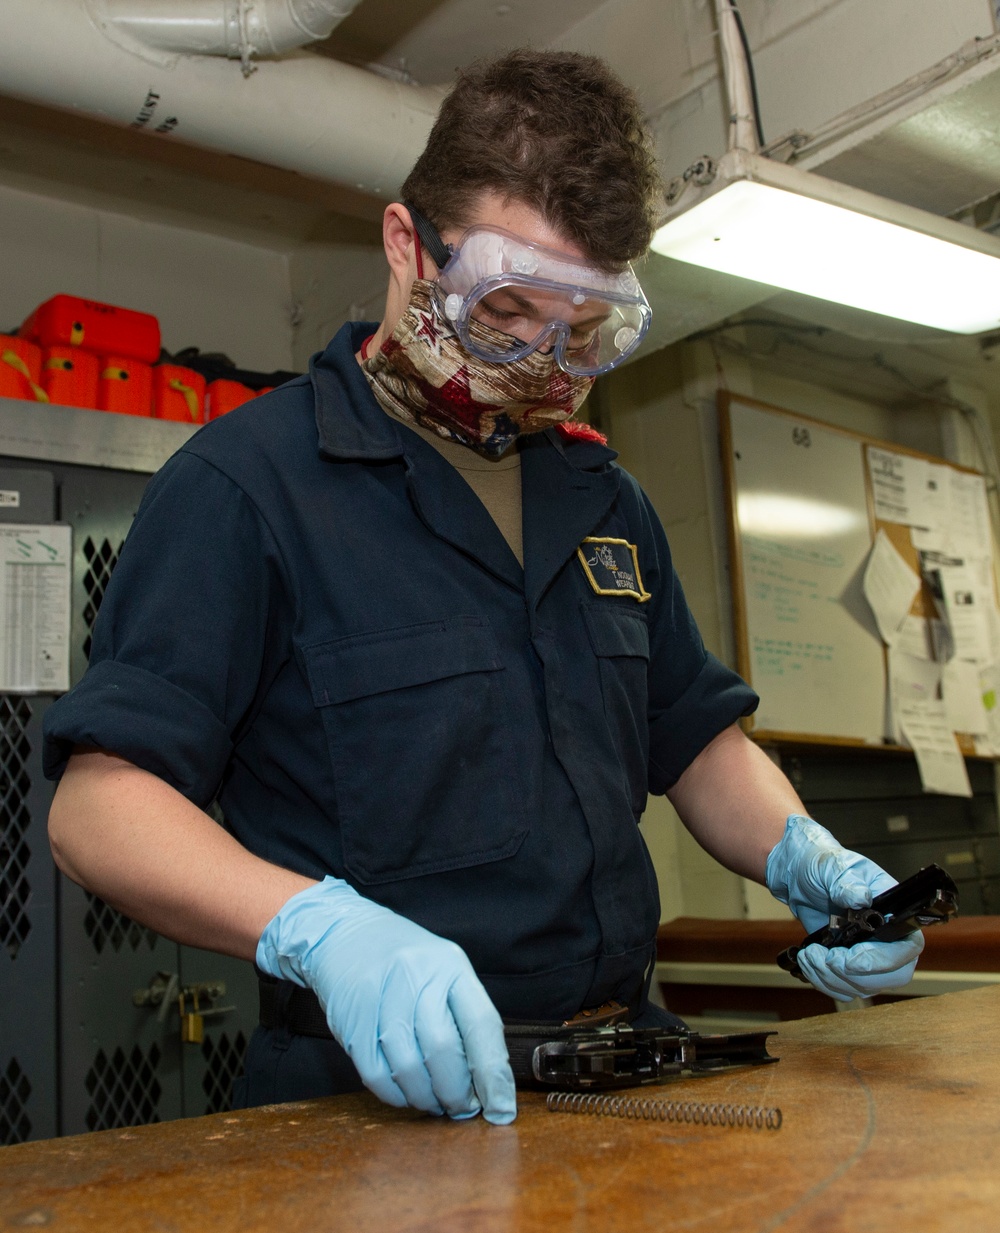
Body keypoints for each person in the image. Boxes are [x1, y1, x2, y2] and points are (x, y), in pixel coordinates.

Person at [43, 49, 923, 1128]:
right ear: (407, 247)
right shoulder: (246, 489)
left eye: (580, 329)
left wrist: (804, 852)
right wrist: (323, 930)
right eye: (505, 313)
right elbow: (101, 809)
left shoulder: (604, 499)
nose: (540, 359)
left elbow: (692, 741)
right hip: (370, 1100)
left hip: (626, 1067)